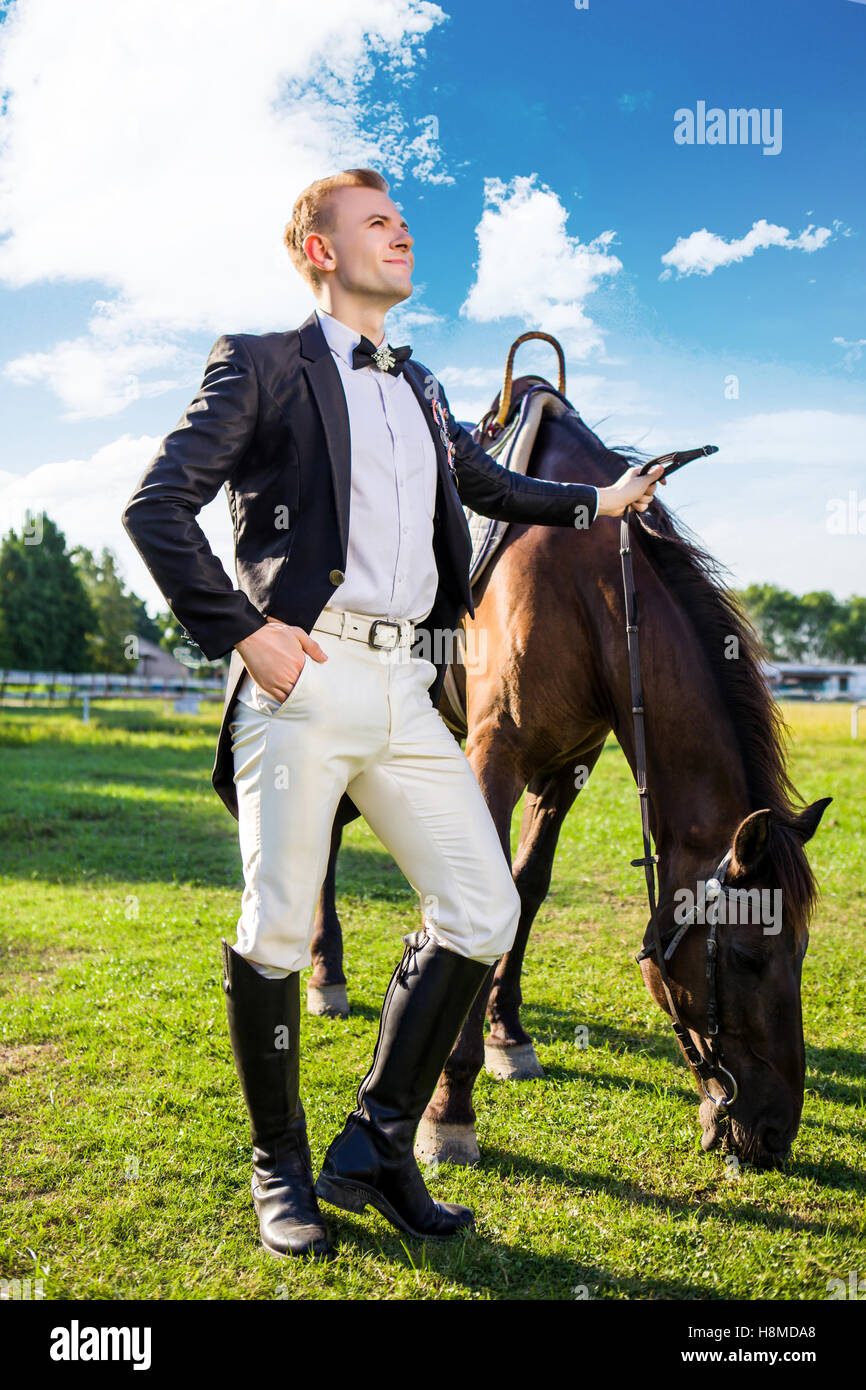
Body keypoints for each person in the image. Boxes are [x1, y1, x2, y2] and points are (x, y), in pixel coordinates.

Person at [122, 167, 662, 1261]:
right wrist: (244, 630)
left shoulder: (419, 385)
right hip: (302, 675)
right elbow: (155, 504)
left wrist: (595, 501)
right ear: (319, 250)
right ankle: (280, 1166)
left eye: (403, 220)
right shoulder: (259, 364)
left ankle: (374, 1143)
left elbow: (481, 484)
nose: (401, 231)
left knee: (479, 908)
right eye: (377, 222)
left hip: (409, 686)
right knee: (276, 925)